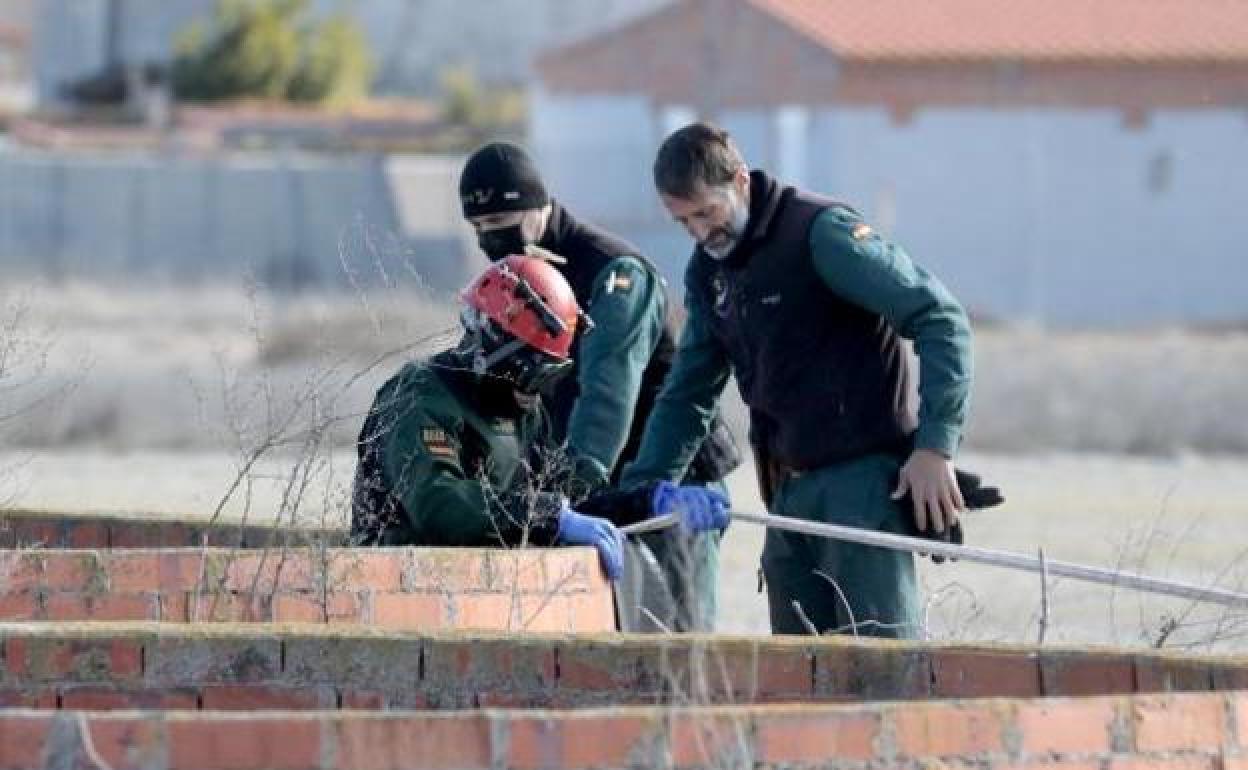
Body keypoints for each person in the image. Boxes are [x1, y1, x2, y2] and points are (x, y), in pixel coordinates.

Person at [621, 122, 976, 639]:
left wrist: (935, 447)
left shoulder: (820, 234)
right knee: (795, 674)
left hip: (859, 489)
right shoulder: (708, 273)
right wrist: (642, 492)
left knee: (884, 668)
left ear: (739, 180)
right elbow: (688, 391)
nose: (699, 232)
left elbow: (940, 317)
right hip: (787, 497)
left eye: (706, 213)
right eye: (684, 222)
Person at [457, 141, 741, 631]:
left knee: (677, 640)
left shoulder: (613, 272)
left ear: (536, 207)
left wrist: (568, 497)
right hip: (603, 488)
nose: (491, 238)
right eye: (480, 228)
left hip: (671, 484)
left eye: (502, 222)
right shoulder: (522, 278)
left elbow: (607, 395)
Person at [350, 255, 728, 584]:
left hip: (479, 590)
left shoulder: (520, 412)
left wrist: (647, 503)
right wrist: (549, 517)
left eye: (553, 375)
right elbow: (439, 505)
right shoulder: (420, 398)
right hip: (403, 588)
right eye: (536, 375)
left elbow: (568, 493)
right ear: (495, 351)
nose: (538, 391)